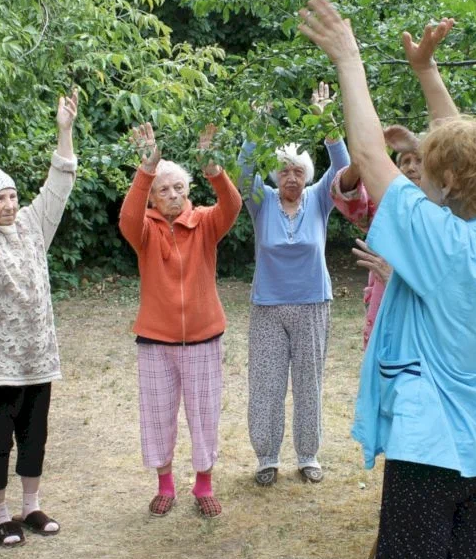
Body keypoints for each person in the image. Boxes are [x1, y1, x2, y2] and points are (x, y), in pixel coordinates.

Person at [298, 0, 476, 559]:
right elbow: (469, 158)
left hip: (432, 450)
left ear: (449, 184)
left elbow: (371, 155)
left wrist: (349, 56)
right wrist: (428, 74)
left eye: (429, 170)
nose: (419, 177)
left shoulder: (447, 244)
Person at [0, 88, 79, 547]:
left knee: (35, 436)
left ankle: (31, 506)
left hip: (37, 357)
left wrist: (64, 131)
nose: (7, 203)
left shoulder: (31, 227)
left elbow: (59, 184)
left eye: (11, 195)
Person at [119, 122, 242, 518]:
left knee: (204, 413)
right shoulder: (144, 229)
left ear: (188, 191)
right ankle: (165, 484)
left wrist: (214, 169)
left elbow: (233, 207)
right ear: (152, 196)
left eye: (178, 188)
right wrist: (146, 169)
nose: (172, 195)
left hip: (204, 337)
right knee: (158, 415)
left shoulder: (205, 221)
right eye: (163, 190)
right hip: (156, 340)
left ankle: (203, 483)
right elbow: (127, 218)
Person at [237, 84, 350, 486]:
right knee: (266, 384)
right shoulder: (261, 201)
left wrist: (328, 123)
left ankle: (308, 455)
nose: (290, 177)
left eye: (297, 170)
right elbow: (242, 172)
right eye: (284, 170)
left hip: (312, 304)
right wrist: (256, 127)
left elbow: (343, 170)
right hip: (268, 305)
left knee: (309, 382)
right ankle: (267, 457)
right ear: (276, 174)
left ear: (307, 175)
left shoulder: (320, 199)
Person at [330, 125, 423, 347]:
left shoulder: (446, 213)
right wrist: (358, 162)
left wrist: (396, 277)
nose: (411, 167)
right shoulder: (386, 208)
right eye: (405, 162)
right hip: (383, 316)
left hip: (421, 325)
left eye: (419, 161)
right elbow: (350, 198)